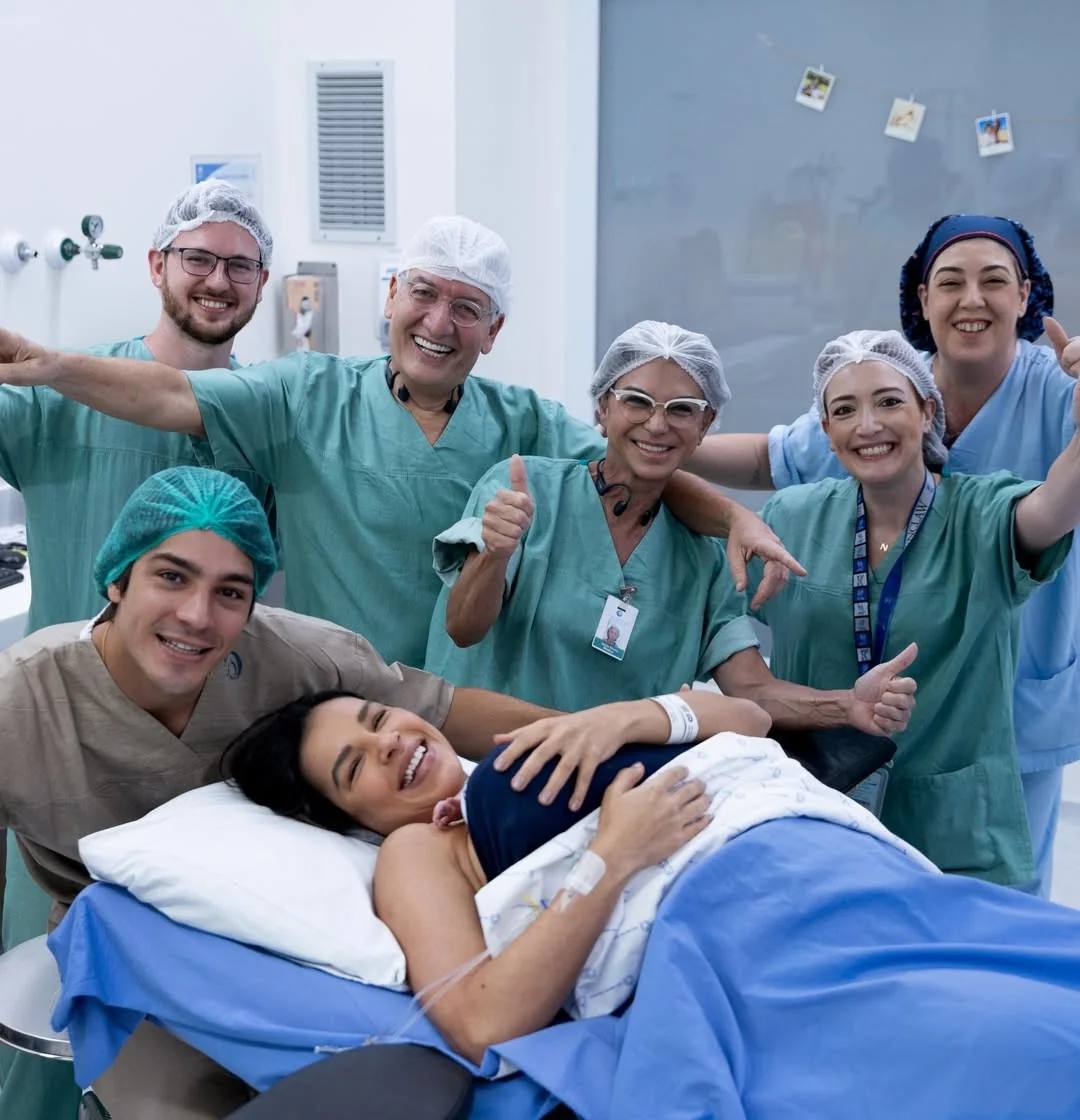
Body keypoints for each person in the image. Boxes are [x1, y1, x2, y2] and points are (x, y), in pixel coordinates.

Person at [0, 466, 578, 1120]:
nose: (197, 615)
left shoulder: (295, 657)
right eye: (171, 576)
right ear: (116, 578)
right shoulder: (20, 702)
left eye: (231, 592)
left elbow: (443, 708)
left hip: (287, 937)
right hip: (133, 946)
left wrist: (618, 732)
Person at [0, 215, 802, 673]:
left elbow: (634, 463)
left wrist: (735, 518)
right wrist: (51, 366)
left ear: (494, 330)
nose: (438, 322)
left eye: (467, 307)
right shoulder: (305, 396)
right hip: (328, 701)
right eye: (423, 293)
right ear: (391, 297)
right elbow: (172, 394)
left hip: (460, 704)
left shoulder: (520, 421)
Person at [223, 684, 1080, 1095]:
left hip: (821, 850)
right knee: (1003, 1042)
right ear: (353, 820)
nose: (388, 745)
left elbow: (749, 721)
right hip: (731, 917)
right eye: (355, 769)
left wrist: (637, 715)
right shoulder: (420, 848)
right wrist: (612, 856)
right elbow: (480, 1022)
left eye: (378, 720)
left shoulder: (524, 744)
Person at [688, 214, 1080, 898]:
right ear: (921, 298)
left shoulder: (1045, 408)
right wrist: (658, 446)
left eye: (994, 280)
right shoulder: (806, 502)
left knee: (988, 915)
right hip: (834, 758)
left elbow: (1048, 512)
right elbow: (765, 464)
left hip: (1002, 723)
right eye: (950, 282)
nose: (868, 424)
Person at [0, 179, 277, 1120]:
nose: (217, 280)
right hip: (55, 750)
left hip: (204, 765)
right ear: (156, 264)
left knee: (177, 1045)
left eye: (239, 265)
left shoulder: (266, 417)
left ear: (262, 282)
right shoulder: (62, 393)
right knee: (43, 1010)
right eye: (197, 257)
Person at [425, 323, 919, 784]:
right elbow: (463, 629)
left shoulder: (706, 560)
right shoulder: (524, 491)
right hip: (478, 773)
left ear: (705, 425)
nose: (657, 424)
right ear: (602, 409)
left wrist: (847, 705)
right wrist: (494, 555)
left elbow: (753, 689)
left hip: (599, 798)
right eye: (636, 402)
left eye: (682, 409)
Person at [746, 328, 1076, 887]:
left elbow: (1054, 509)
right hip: (817, 821)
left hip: (955, 841)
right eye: (844, 410)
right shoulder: (790, 519)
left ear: (927, 411)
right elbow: (715, 620)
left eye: (889, 402)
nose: (867, 425)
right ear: (826, 431)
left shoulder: (980, 517)